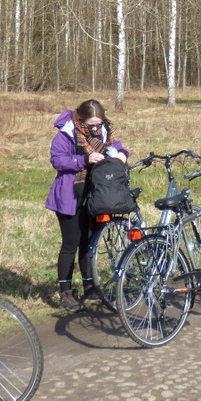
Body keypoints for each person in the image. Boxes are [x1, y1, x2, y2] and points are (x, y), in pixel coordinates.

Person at [46, 99, 128, 311]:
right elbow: (57, 160)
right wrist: (84, 160)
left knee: (89, 244)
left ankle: (90, 288)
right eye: (90, 124)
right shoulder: (66, 132)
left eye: (97, 124)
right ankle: (65, 293)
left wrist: (122, 154)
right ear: (80, 119)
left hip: (95, 195)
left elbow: (116, 146)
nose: (94, 128)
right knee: (71, 244)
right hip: (70, 195)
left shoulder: (105, 132)